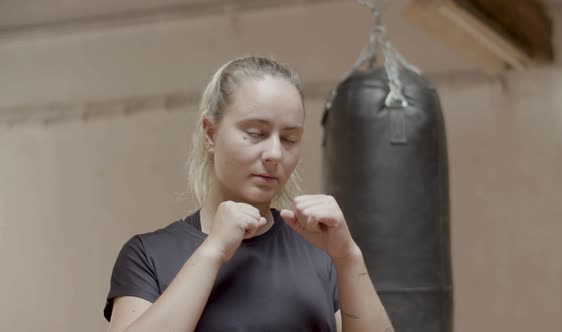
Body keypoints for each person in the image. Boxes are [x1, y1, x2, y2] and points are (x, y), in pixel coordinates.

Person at [104, 56, 394, 332]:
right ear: (210, 134)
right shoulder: (148, 255)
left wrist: (347, 256)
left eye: (289, 139)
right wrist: (213, 250)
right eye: (255, 133)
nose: (274, 153)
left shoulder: (319, 252)